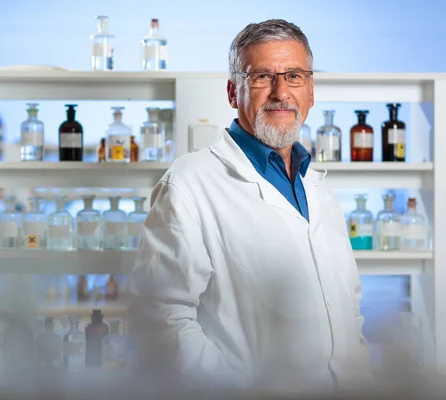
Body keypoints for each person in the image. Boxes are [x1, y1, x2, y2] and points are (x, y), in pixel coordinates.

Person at [127, 19, 373, 393]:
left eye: (294, 76)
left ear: (310, 91)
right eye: (262, 76)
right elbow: (158, 318)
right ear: (232, 91)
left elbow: (347, 306)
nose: (280, 92)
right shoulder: (189, 183)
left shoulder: (319, 188)